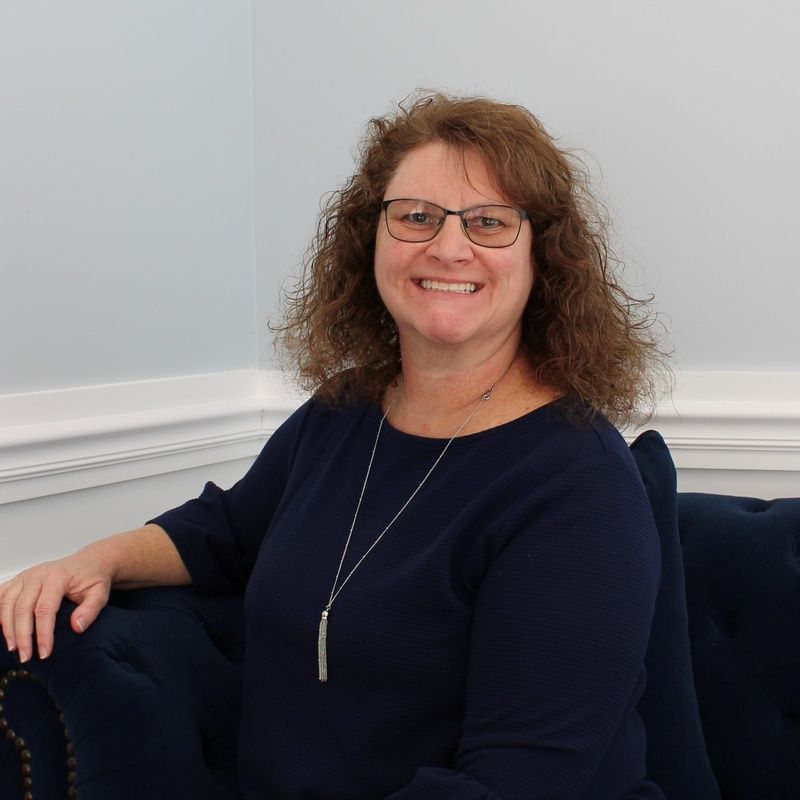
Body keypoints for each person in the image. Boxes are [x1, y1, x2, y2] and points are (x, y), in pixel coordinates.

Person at [1, 92, 667, 799]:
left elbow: (514, 781)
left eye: (489, 223)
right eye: (416, 216)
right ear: (369, 240)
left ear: (543, 258)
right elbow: (222, 534)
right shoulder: (343, 412)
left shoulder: (578, 485)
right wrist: (89, 562)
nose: (448, 247)